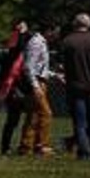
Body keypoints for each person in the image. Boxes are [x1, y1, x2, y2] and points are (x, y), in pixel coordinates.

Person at [18, 20, 58, 156]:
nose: (56, 35)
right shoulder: (36, 42)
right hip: (36, 83)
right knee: (46, 114)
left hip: (39, 81)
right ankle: (42, 146)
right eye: (55, 31)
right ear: (49, 30)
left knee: (33, 115)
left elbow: (40, 68)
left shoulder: (42, 42)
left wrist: (56, 75)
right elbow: (28, 67)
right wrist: (35, 86)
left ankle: (26, 147)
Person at [61, 12, 90, 160]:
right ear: (89, 24)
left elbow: (63, 65)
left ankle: (84, 152)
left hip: (75, 88)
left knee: (80, 123)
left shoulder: (68, 41)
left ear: (75, 24)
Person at [0, 20, 30, 155]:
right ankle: (6, 147)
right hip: (15, 89)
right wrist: (22, 33)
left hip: (22, 88)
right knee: (13, 120)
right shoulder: (12, 53)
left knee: (26, 119)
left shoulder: (20, 49)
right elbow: (19, 47)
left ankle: (24, 146)